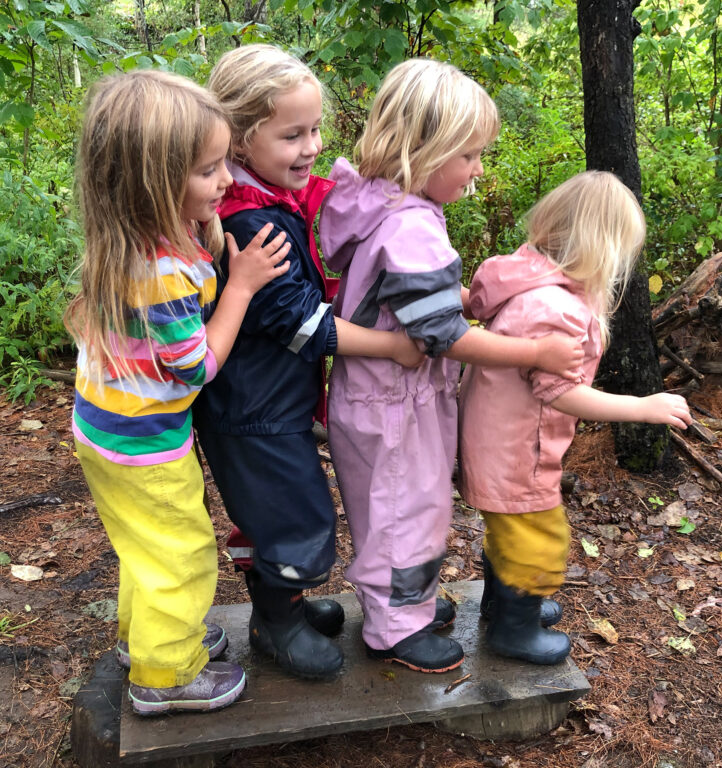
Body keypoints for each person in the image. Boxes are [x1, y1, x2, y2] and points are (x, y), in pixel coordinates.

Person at [319, 59, 585, 674]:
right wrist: (534, 353)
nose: (478, 170)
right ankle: (394, 627)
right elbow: (444, 336)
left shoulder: (385, 203)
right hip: (392, 405)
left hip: (387, 396)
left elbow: (413, 306)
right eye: (469, 156)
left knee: (409, 506)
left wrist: (463, 300)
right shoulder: (412, 228)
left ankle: (405, 606)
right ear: (426, 149)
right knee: (402, 511)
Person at [193, 44, 424, 681]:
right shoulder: (250, 224)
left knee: (282, 511)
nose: (313, 146)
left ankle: (283, 599)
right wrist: (393, 346)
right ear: (239, 140)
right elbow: (300, 323)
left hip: (270, 403)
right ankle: (275, 619)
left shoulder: (268, 202)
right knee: (298, 516)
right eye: (292, 134)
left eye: (317, 129)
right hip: (250, 409)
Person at [65, 70, 292, 715]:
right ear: (151, 182)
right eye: (208, 170)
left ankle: (151, 642)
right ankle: (165, 678)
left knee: (144, 549)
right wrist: (242, 287)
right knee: (183, 557)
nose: (226, 180)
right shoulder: (161, 270)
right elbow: (195, 365)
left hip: (106, 430)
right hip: (145, 447)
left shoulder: (132, 241)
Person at [458, 171, 693, 665]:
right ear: (601, 249)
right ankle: (512, 630)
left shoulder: (530, 276)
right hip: (518, 445)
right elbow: (562, 393)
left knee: (513, 528)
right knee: (538, 534)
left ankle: (503, 607)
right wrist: (641, 408)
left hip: (501, 437)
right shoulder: (555, 308)